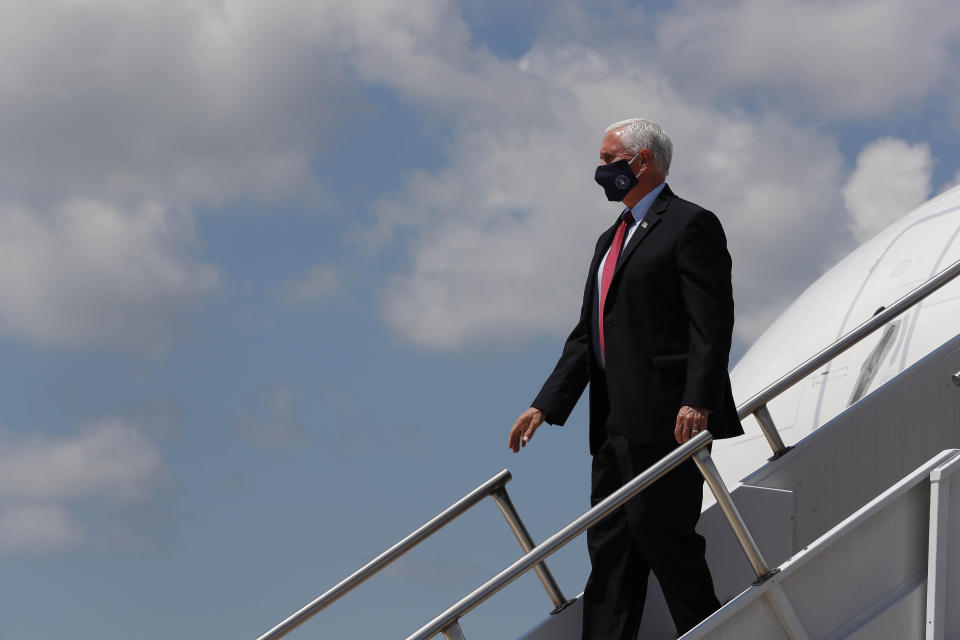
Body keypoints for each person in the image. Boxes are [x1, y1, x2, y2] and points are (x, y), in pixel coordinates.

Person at [507, 118, 744, 639]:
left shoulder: (690, 224)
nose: (602, 170)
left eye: (610, 159)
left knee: (663, 534)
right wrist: (545, 405)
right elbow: (587, 335)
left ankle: (712, 631)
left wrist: (698, 398)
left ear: (643, 162)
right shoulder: (608, 240)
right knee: (610, 549)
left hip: (668, 421)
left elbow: (712, 320)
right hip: (611, 424)